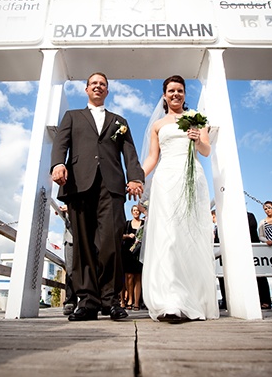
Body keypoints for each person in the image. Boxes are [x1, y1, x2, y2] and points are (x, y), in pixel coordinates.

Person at [51, 72, 144, 322]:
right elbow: (60, 145)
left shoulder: (119, 121)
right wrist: (58, 164)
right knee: (82, 245)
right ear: (86, 89)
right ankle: (88, 301)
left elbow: (129, 152)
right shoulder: (72, 117)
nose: (98, 87)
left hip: (112, 187)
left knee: (111, 243)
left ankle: (111, 300)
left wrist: (135, 178)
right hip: (79, 184)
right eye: (94, 83)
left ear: (107, 91)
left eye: (102, 84)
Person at [140, 75, 219, 324]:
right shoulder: (158, 125)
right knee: (168, 237)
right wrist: (136, 177)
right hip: (165, 180)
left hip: (192, 179)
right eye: (171, 90)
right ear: (164, 95)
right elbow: (153, 158)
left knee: (190, 237)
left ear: (185, 94)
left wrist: (197, 139)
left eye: (180, 90)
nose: (176, 94)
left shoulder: (197, 118)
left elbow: (206, 151)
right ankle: (170, 300)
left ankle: (192, 298)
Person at [121, 203, 145, 310]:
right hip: (128, 251)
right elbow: (120, 235)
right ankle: (129, 299)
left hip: (140, 252)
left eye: (137, 210)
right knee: (129, 276)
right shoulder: (127, 224)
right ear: (131, 212)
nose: (136, 212)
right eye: (134, 210)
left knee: (138, 277)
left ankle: (136, 302)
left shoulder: (144, 224)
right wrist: (127, 236)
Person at [56, 204, 76, 316]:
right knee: (70, 270)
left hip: (88, 236)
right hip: (70, 237)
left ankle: (91, 301)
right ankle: (70, 301)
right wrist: (63, 211)